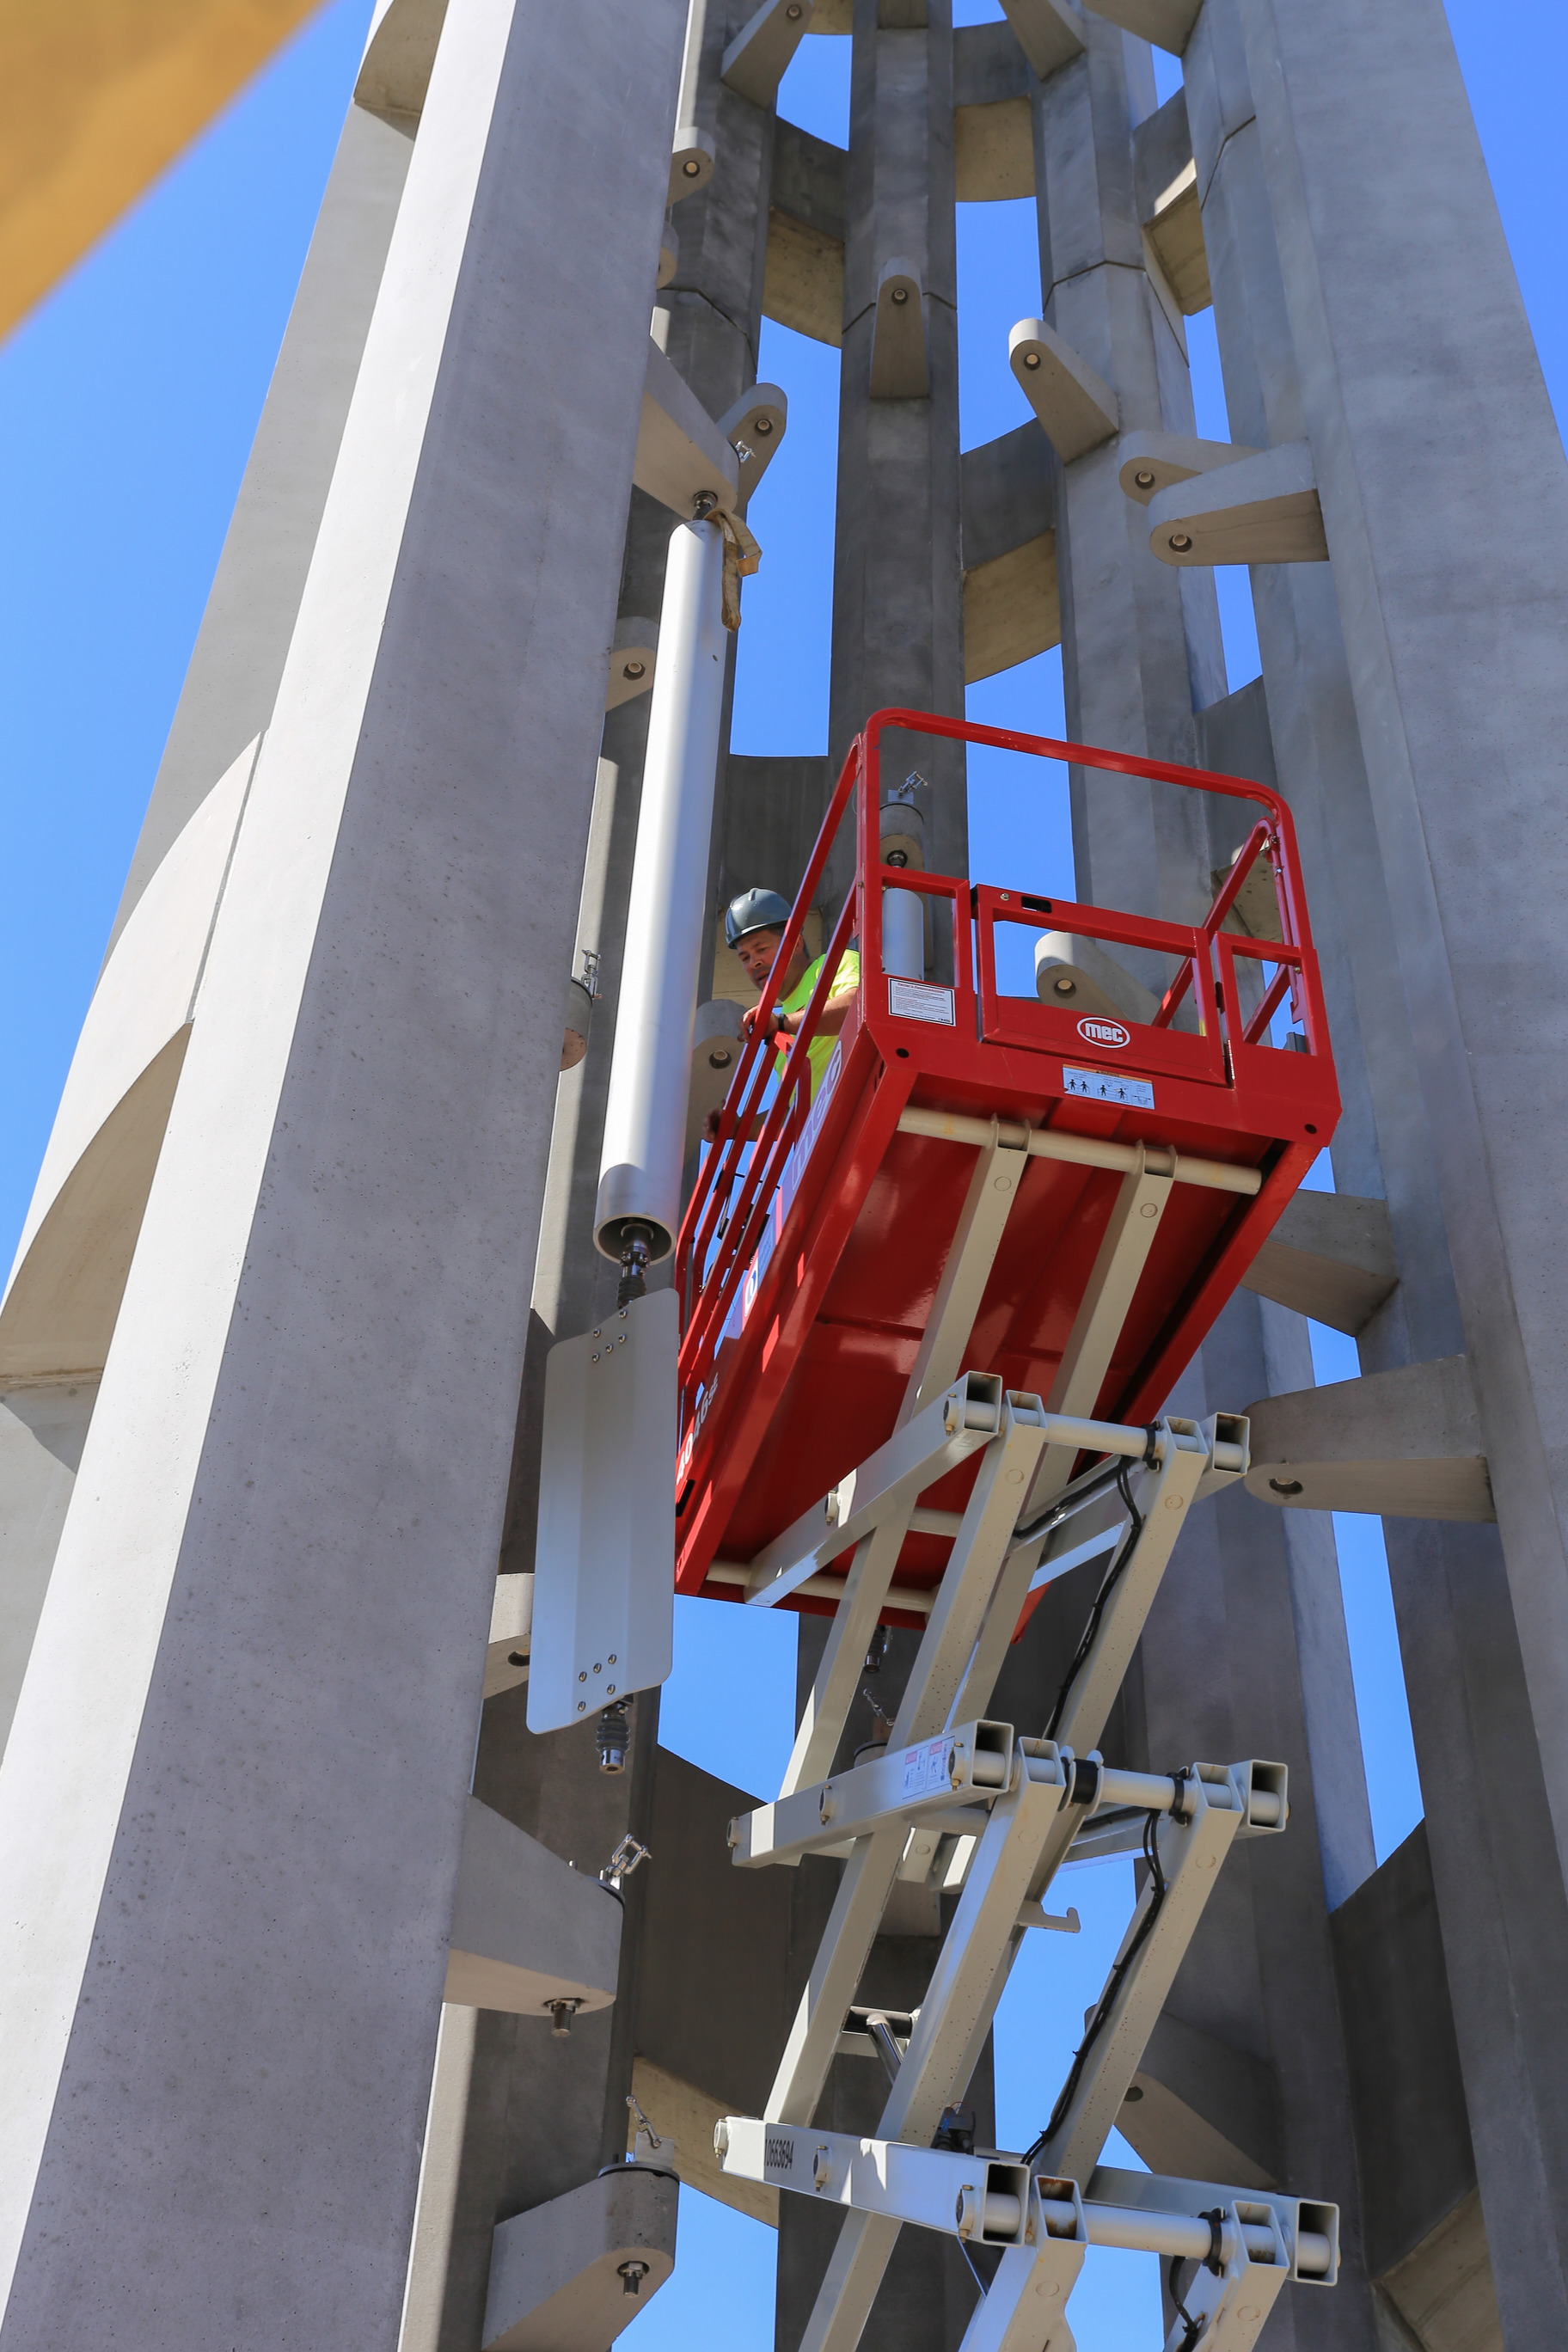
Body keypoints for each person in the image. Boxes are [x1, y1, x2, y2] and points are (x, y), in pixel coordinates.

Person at [704, 887, 860, 1141]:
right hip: (825, 1138)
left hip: (858, 1103)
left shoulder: (832, 965)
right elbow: (794, 1112)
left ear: (796, 943)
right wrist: (739, 1127)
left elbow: (857, 1006)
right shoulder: (779, 1026)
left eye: (761, 948)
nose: (754, 962)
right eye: (745, 956)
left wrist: (783, 1024)